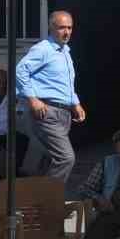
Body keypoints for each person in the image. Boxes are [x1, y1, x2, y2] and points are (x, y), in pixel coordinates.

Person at [15, 10, 84, 181]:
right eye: (62, 28)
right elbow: (20, 71)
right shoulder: (43, 49)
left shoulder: (65, 51)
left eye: (69, 27)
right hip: (47, 112)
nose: (66, 32)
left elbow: (64, 82)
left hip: (63, 112)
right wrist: (32, 99)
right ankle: (49, 199)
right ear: (51, 28)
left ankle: (38, 200)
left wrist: (75, 103)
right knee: (65, 158)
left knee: (49, 159)